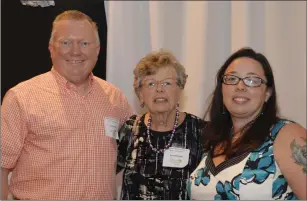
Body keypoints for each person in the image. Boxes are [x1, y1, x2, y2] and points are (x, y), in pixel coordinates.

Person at [1, 10, 133, 200]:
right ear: (51, 48)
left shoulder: (115, 98)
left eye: (84, 43)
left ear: (97, 49)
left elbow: (138, 148)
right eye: (66, 43)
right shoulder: (21, 98)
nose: (75, 51)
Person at [188, 47, 307, 200]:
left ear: (267, 93)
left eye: (252, 80)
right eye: (232, 78)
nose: (240, 86)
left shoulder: (286, 135)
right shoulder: (213, 140)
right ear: (222, 88)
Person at [116, 50, 207, 200]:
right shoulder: (130, 129)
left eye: (167, 83)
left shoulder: (201, 131)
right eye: (151, 84)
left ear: (180, 89)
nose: (159, 89)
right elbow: (104, 170)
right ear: (141, 94)